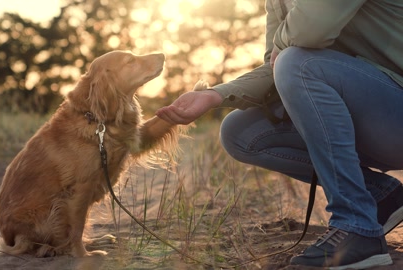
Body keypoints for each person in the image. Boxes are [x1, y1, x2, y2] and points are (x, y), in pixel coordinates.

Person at [156, 0, 403, 268]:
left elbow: (310, 33)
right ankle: (381, 196)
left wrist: (282, 48)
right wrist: (214, 95)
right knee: (240, 132)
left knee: (298, 64)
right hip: (377, 120)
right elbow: (275, 69)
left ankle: (358, 227)